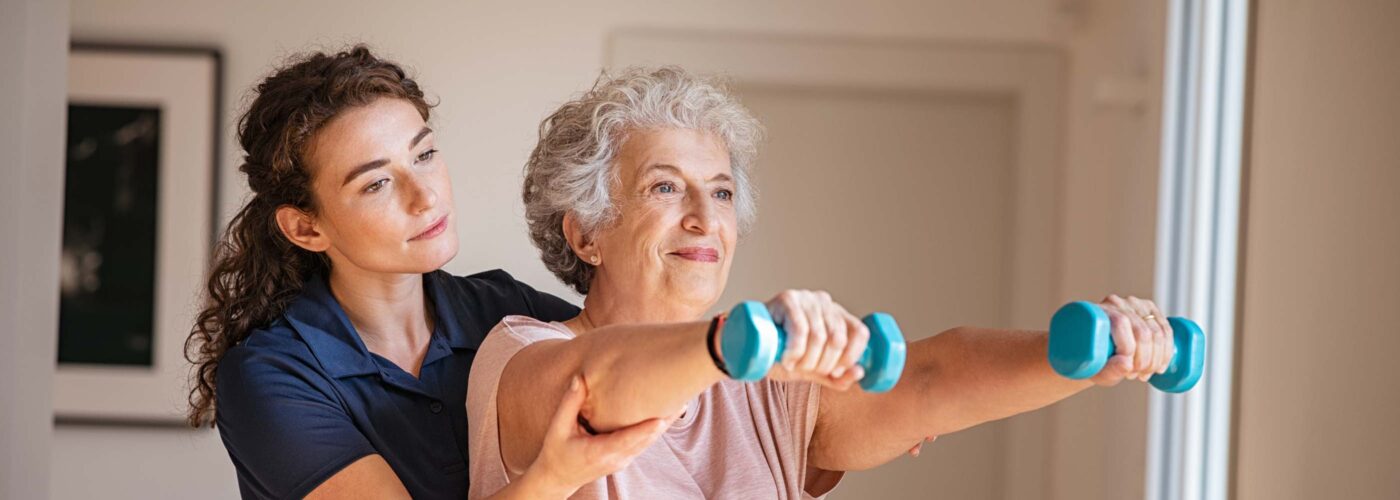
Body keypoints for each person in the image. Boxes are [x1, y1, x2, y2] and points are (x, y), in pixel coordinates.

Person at [466, 66, 1177, 498]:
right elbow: (599, 385)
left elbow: (930, 379)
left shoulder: (765, 383)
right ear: (584, 232)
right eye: (664, 188)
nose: (702, 219)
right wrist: (739, 344)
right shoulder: (519, 352)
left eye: (718, 194)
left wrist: (1087, 356)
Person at [184, 45, 667, 500]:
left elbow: (628, 366)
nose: (426, 196)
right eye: (377, 183)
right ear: (306, 228)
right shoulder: (272, 373)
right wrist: (554, 477)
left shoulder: (506, 311)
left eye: (425, 155)